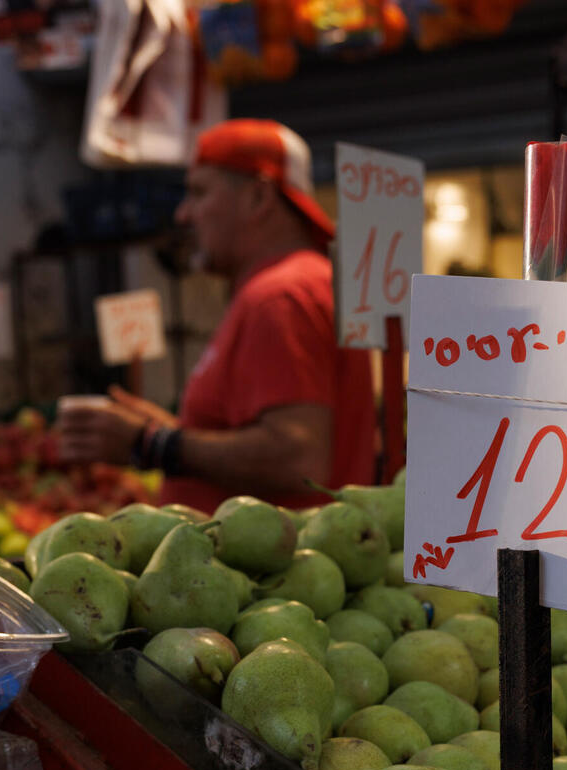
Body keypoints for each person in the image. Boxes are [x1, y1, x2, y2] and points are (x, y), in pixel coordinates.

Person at [58, 119, 376, 513]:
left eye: (198, 192)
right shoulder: (300, 283)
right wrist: (173, 431)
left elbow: (297, 457)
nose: (183, 214)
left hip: (273, 568)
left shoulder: (279, 296)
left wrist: (152, 443)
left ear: (258, 197)